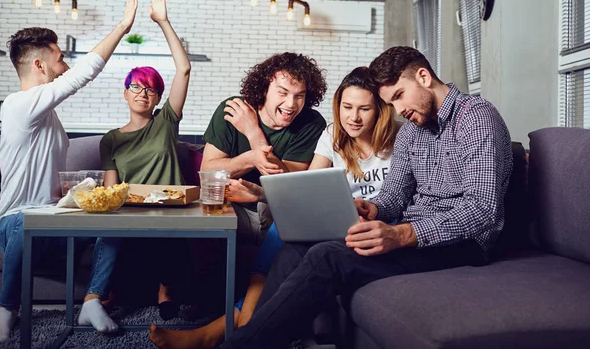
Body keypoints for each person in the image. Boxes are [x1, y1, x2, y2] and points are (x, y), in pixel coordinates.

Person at [215, 46, 514, 348]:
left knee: (328, 256)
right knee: (296, 245)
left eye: (398, 96)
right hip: (411, 236)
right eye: (390, 103)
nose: (398, 111)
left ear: (423, 76)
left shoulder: (475, 118)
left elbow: (483, 209)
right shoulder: (413, 130)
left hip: (462, 246)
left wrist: (403, 233)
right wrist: (372, 209)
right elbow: (394, 196)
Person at [148, 66, 400, 349]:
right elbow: (304, 188)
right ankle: (242, 325)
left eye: (364, 108)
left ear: (380, 109)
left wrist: (254, 136)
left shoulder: (399, 139)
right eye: (347, 107)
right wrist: (257, 191)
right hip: (336, 222)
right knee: (287, 226)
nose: (354, 117)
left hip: (374, 227)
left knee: (285, 229)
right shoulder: (333, 136)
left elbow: (290, 180)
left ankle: (233, 327)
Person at [0, 0, 138, 343]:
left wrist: (73, 195)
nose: (66, 65)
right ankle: (7, 309)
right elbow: (85, 73)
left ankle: (91, 300)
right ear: (40, 65)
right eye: (60, 59)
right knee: (26, 220)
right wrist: (121, 28)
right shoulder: (19, 105)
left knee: (114, 222)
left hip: (53, 219)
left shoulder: (45, 114)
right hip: (15, 223)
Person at [81, 0, 192, 329]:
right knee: (110, 230)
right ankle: (97, 297)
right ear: (125, 92)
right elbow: (112, 193)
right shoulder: (111, 140)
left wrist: (163, 21)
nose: (144, 93)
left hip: (170, 208)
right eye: (137, 87)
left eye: (151, 89)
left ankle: (164, 292)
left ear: (158, 97)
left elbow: (184, 69)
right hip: (131, 211)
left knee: (169, 235)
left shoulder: (166, 121)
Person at [199, 52, 328, 245]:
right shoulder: (235, 109)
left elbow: (289, 187)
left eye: (299, 96)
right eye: (282, 93)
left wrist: (253, 133)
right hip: (233, 207)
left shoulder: (311, 122)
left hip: (278, 210)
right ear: (265, 88)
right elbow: (208, 172)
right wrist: (251, 159)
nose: (291, 104)